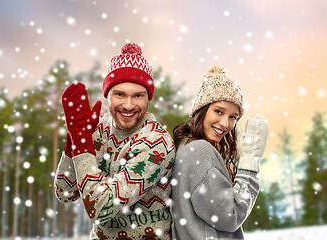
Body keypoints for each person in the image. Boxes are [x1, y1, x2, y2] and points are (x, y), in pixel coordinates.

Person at [54, 43, 175, 239]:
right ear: (108, 95)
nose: (128, 105)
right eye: (120, 94)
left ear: (148, 99)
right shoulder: (97, 129)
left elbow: (101, 210)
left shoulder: (157, 143)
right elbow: (65, 193)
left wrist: (82, 143)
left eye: (138, 95)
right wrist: (73, 141)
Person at [171, 66, 269, 239]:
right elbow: (230, 216)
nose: (225, 124)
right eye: (218, 111)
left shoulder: (185, 146)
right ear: (201, 110)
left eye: (233, 117)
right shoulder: (200, 151)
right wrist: (249, 165)